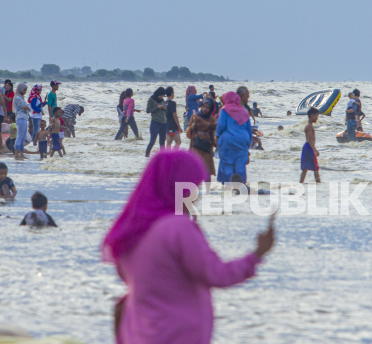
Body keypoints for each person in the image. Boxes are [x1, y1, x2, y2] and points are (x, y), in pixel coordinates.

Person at [102, 149, 274, 344]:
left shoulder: (131, 231)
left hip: (139, 333)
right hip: (179, 334)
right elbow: (216, 274)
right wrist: (257, 254)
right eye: (193, 187)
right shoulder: (178, 228)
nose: (196, 195)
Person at [215, 92, 252, 184]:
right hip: (243, 140)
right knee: (240, 166)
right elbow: (249, 129)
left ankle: (228, 186)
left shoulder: (224, 110)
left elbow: (221, 125)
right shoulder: (244, 111)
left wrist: (217, 135)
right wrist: (248, 143)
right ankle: (241, 186)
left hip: (228, 141)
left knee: (227, 163)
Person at [186, 99, 217, 189]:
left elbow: (212, 133)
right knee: (195, 167)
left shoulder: (211, 119)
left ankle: (207, 190)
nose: (205, 109)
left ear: (210, 109)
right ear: (201, 106)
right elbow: (189, 132)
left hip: (207, 146)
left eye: (208, 108)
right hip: (196, 145)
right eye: (204, 106)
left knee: (207, 168)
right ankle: (193, 189)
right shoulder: (195, 117)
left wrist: (215, 144)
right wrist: (193, 127)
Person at [145, 88, 168, 157]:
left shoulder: (162, 100)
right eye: (161, 95)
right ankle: (147, 156)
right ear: (158, 93)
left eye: (163, 96)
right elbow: (148, 110)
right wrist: (157, 107)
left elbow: (165, 112)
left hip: (164, 123)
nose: (162, 97)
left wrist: (164, 108)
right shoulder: (151, 99)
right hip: (155, 122)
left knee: (162, 142)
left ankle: (162, 157)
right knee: (152, 141)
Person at [300, 107, 321, 183]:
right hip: (309, 147)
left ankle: (301, 183)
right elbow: (309, 139)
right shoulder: (309, 126)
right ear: (312, 116)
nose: (317, 118)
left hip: (308, 147)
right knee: (315, 167)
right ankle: (319, 183)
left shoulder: (310, 125)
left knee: (305, 168)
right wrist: (315, 150)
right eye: (316, 116)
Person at [13, 82, 31, 160]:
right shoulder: (17, 98)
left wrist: (28, 107)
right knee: (20, 136)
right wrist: (28, 107)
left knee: (23, 137)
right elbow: (24, 107)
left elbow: (27, 107)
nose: (25, 91)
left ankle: (21, 154)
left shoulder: (21, 97)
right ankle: (16, 154)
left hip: (24, 118)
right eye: (24, 90)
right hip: (21, 118)